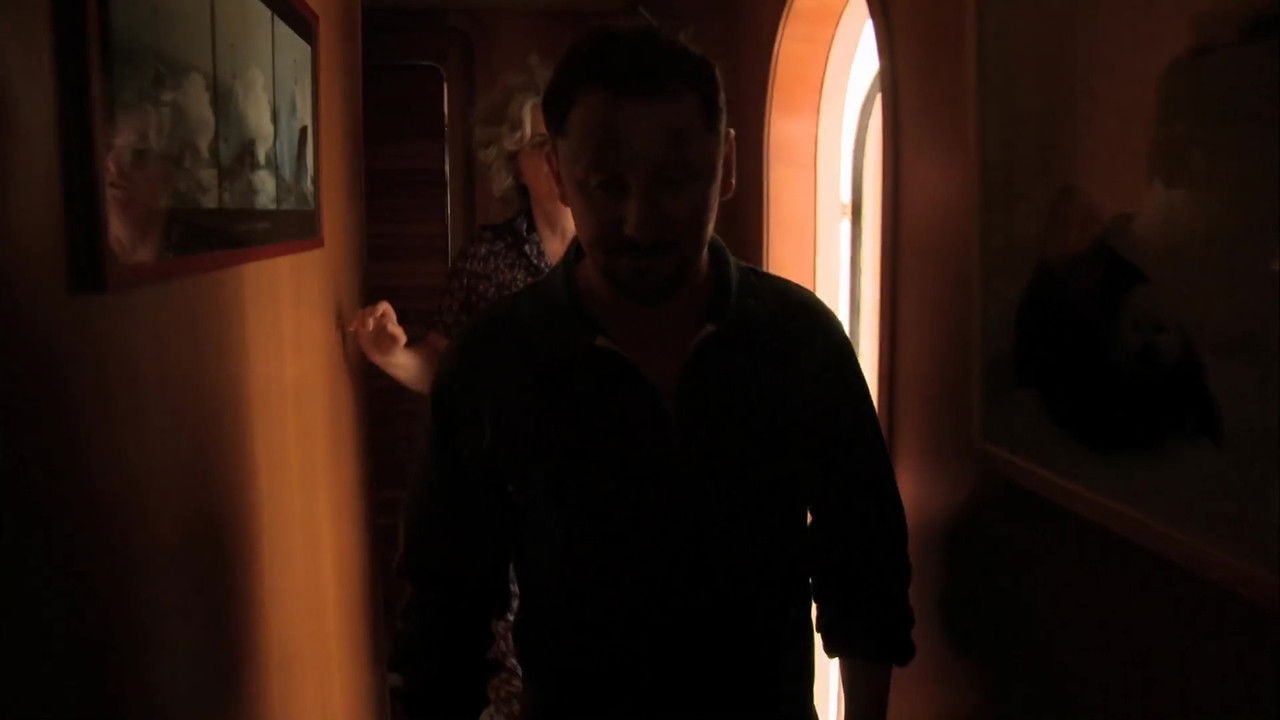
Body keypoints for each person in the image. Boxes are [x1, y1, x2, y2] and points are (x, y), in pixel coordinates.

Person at [391, 25, 915, 720]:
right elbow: (441, 621)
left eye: (674, 180)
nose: (640, 223)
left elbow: (866, 564)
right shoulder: (495, 360)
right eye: (607, 185)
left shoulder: (800, 340)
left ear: (727, 164)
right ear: (558, 173)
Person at [350, 60, 576, 394]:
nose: (554, 157)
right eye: (539, 143)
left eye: (562, 141)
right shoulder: (485, 256)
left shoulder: (618, 246)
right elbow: (443, 365)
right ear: (514, 166)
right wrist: (390, 356)